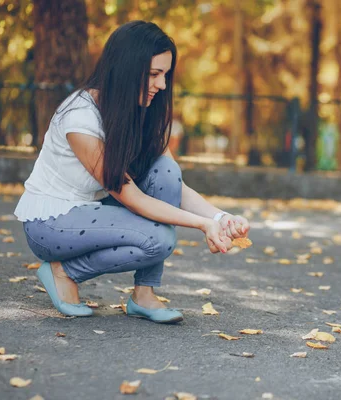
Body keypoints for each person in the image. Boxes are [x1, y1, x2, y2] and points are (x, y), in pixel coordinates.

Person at [14, 21, 249, 323]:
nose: (162, 85)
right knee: (158, 239)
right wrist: (203, 225)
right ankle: (63, 272)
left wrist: (221, 218)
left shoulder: (141, 110)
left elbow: (174, 185)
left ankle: (144, 294)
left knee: (165, 169)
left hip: (92, 208)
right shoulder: (80, 117)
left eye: (165, 74)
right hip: (51, 223)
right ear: (125, 69)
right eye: (154, 74)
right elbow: (133, 198)